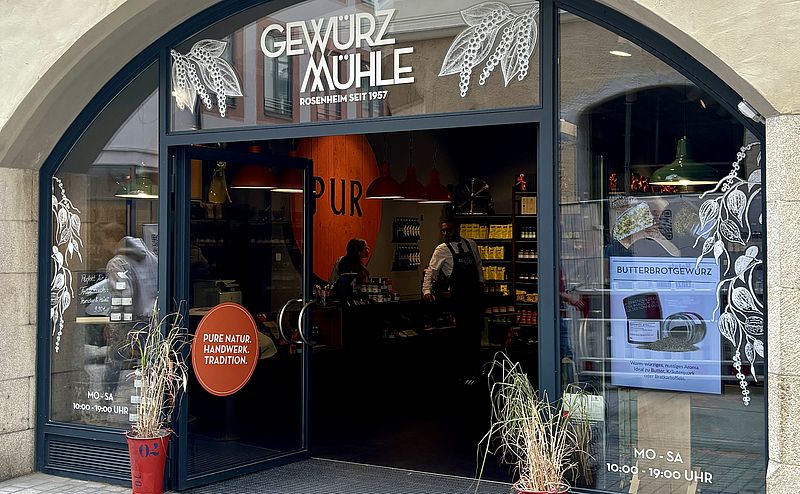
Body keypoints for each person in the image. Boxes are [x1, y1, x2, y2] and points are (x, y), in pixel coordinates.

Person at [422, 218, 484, 379]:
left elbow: (478, 265)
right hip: (459, 297)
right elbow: (431, 271)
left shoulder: (471, 244)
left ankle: (477, 369)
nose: (445, 234)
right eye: (443, 231)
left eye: (448, 230)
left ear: (458, 228)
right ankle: (463, 371)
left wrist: (481, 282)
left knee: (476, 333)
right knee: (462, 335)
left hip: (474, 296)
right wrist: (426, 290)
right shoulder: (442, 249)